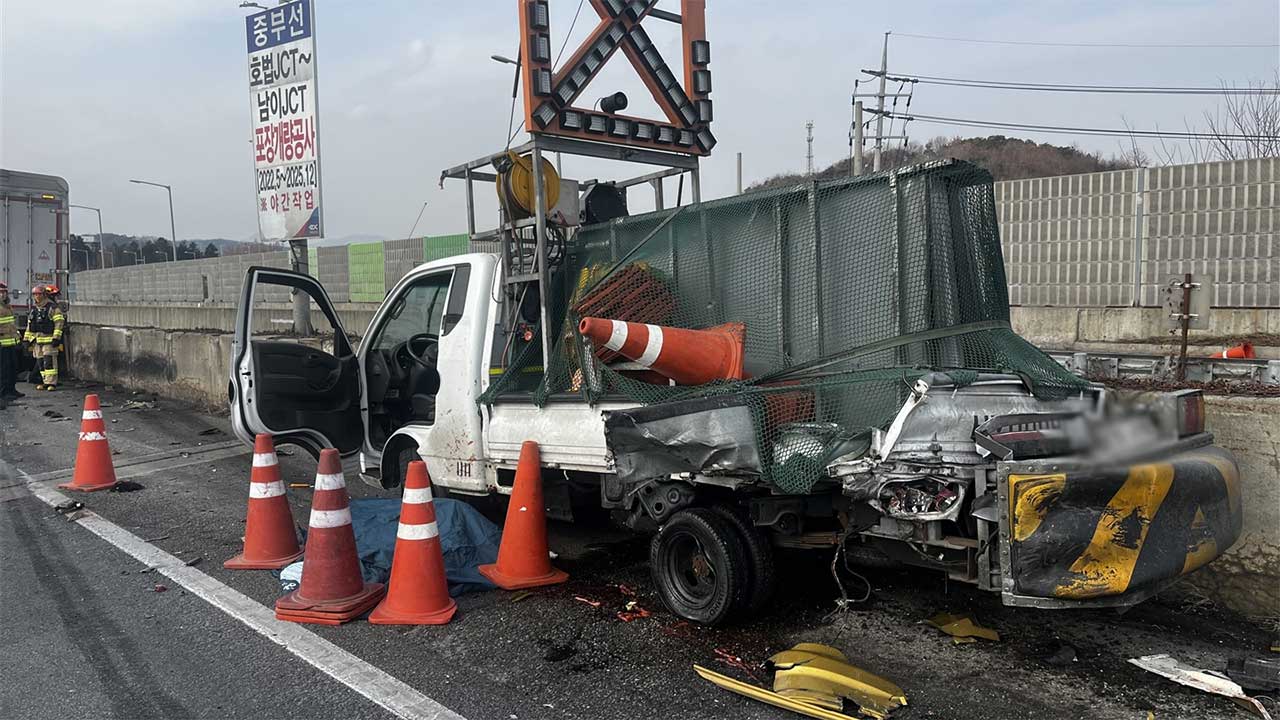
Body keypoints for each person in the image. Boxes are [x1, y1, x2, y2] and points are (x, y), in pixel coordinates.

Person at [24, 284, 64, 391]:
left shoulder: (52, 308)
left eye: (39, 294)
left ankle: (51, 383)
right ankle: (45, 381)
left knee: (49, 361)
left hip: (49, 340)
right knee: (41, 363)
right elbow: (29, 325)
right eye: (35, 294)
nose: (37, 296)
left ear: (44, 295)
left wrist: (56, 338)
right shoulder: (34, 309)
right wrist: (26, 340)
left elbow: (59, 323)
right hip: (37, 341)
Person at [0, 282, 21, 400]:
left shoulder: (7, 306)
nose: (3, 294)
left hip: (10, 342)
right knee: (3, 370)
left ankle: (11, 389)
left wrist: (17, 337)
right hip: (2, 343)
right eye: (1, 292)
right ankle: (3, 392)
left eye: (4, 292)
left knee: (13, 368)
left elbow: (11, 324)